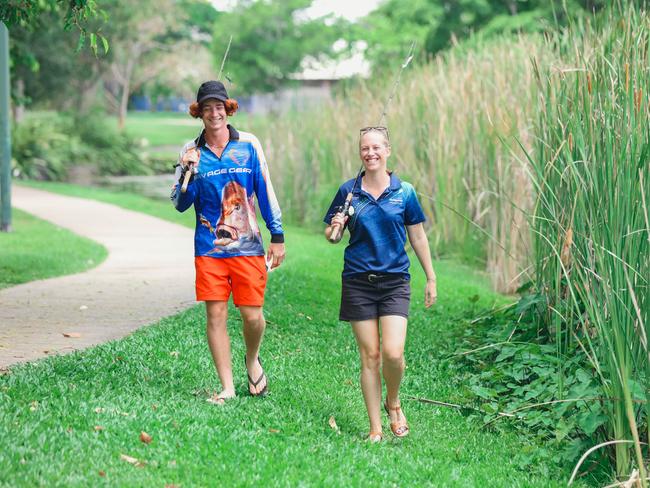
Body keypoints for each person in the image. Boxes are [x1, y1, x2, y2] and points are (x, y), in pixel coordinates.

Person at [171, 80, 285, 404]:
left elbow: (264, 188)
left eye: (218, 107)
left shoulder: (248, 145)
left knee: (252, 316)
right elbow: (180, 203)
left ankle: (252, 359)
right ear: (199, 113)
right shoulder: (191, 152)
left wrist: (277, 235)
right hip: (209, 248)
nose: (213, 113)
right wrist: (185, 173)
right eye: (206, 108)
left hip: (248, 246)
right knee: (215, 315)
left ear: (228, 108)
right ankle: (228, 387)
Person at [323, 126, 437, 441]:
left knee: (394, 353)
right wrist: (335, 227)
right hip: (358, 281)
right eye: (364, 149)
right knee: (370, 355)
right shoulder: (348, 192)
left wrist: (431, 277)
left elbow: (417, 236)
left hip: (395, 281)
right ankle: (375, 428)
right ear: (360, 153)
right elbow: (332, 238)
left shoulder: (405, 192)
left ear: (387, 150)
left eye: (376, 147)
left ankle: (394, 401)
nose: (370, 153)